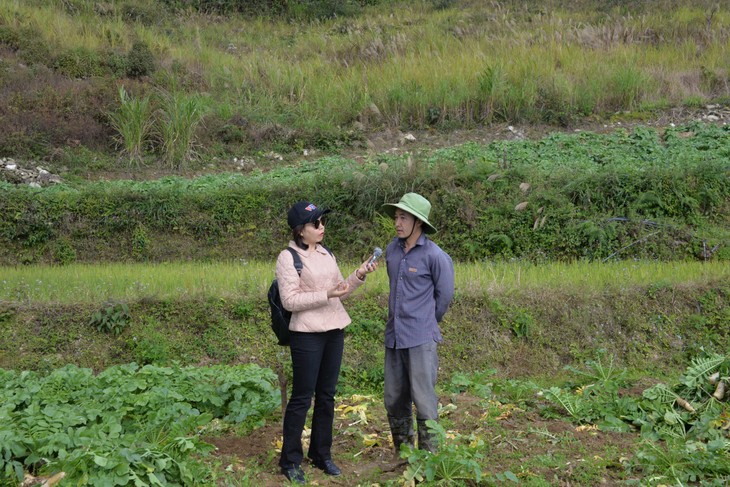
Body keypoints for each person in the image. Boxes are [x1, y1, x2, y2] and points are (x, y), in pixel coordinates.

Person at [276, 200, 378, 484]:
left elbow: (339, 290)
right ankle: (291, 459)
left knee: (327, 396)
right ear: (300, 230)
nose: (322, 227)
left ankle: (321, 454)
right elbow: (290, 300)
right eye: (316, 223)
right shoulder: (288, 257)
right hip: (307, 333)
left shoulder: (325, 253)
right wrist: (326, 294)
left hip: (334, 330)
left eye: (323, 222)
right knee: (301, 398)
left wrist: (358, 276)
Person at [380, 192, 455, 454]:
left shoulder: (435, 256)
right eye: (397, 217)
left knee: (423, 400)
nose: (397, 223)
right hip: (395, 335)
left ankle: (428, 457)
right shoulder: (392, 250)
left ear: (418, 223)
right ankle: (404, 453)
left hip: (421, 337)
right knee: (393, 397)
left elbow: (443, 297)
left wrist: (427, 322)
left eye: (404, 218)